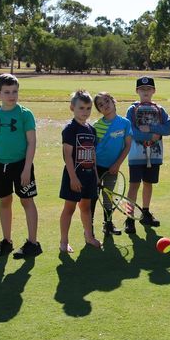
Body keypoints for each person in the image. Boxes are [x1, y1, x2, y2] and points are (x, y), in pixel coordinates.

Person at [0, 73, 41, 259]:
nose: (11, 95)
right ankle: (7, 241)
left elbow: (32, 142)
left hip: (21, 165)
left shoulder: (25, 114)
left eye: (15, 91)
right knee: (5, 202)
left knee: (27, 201)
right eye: (6, 92)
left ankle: (33, 243)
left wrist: (27, 168)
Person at [124, 76, 170, 234]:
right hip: (136, 155)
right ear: (137, 91)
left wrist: (152, 129)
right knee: (133, 185)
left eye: (148, 89)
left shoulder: (160, 109)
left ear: (153, 91)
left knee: (148, 184)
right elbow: (131, 131)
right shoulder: (132, 109)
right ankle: (129, 218)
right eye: (142, 89)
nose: (145, 92)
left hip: (154, 155)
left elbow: (168, 128)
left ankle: (145, 213)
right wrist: (150, 136)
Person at [58, 90, 101, 252]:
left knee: (86, 208)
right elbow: (67, 156)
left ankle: (89, 237)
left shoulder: (91, 129)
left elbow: (93, 155)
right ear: (72, 108)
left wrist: (96, 176)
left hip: (89, 176)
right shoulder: (70, 129)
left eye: (88, 108)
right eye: (81, 108)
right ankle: (64, 242)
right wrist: (73, 177)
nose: (85, 112)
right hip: (74, 176)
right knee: (69, 208)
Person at [93, 91, 133, 238]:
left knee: (108, 197)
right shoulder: (97, 126)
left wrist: (117, 165)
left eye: (107, 101)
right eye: (101, 105)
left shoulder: (125, 123)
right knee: (92, 197)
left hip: (113, 168)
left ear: (113, 101)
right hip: (96, 167)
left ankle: (108, 224)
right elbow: (91, 151)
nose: (105, 106)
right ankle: (89, 228)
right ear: (99, 110)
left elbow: (127, 146)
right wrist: (95, 174)